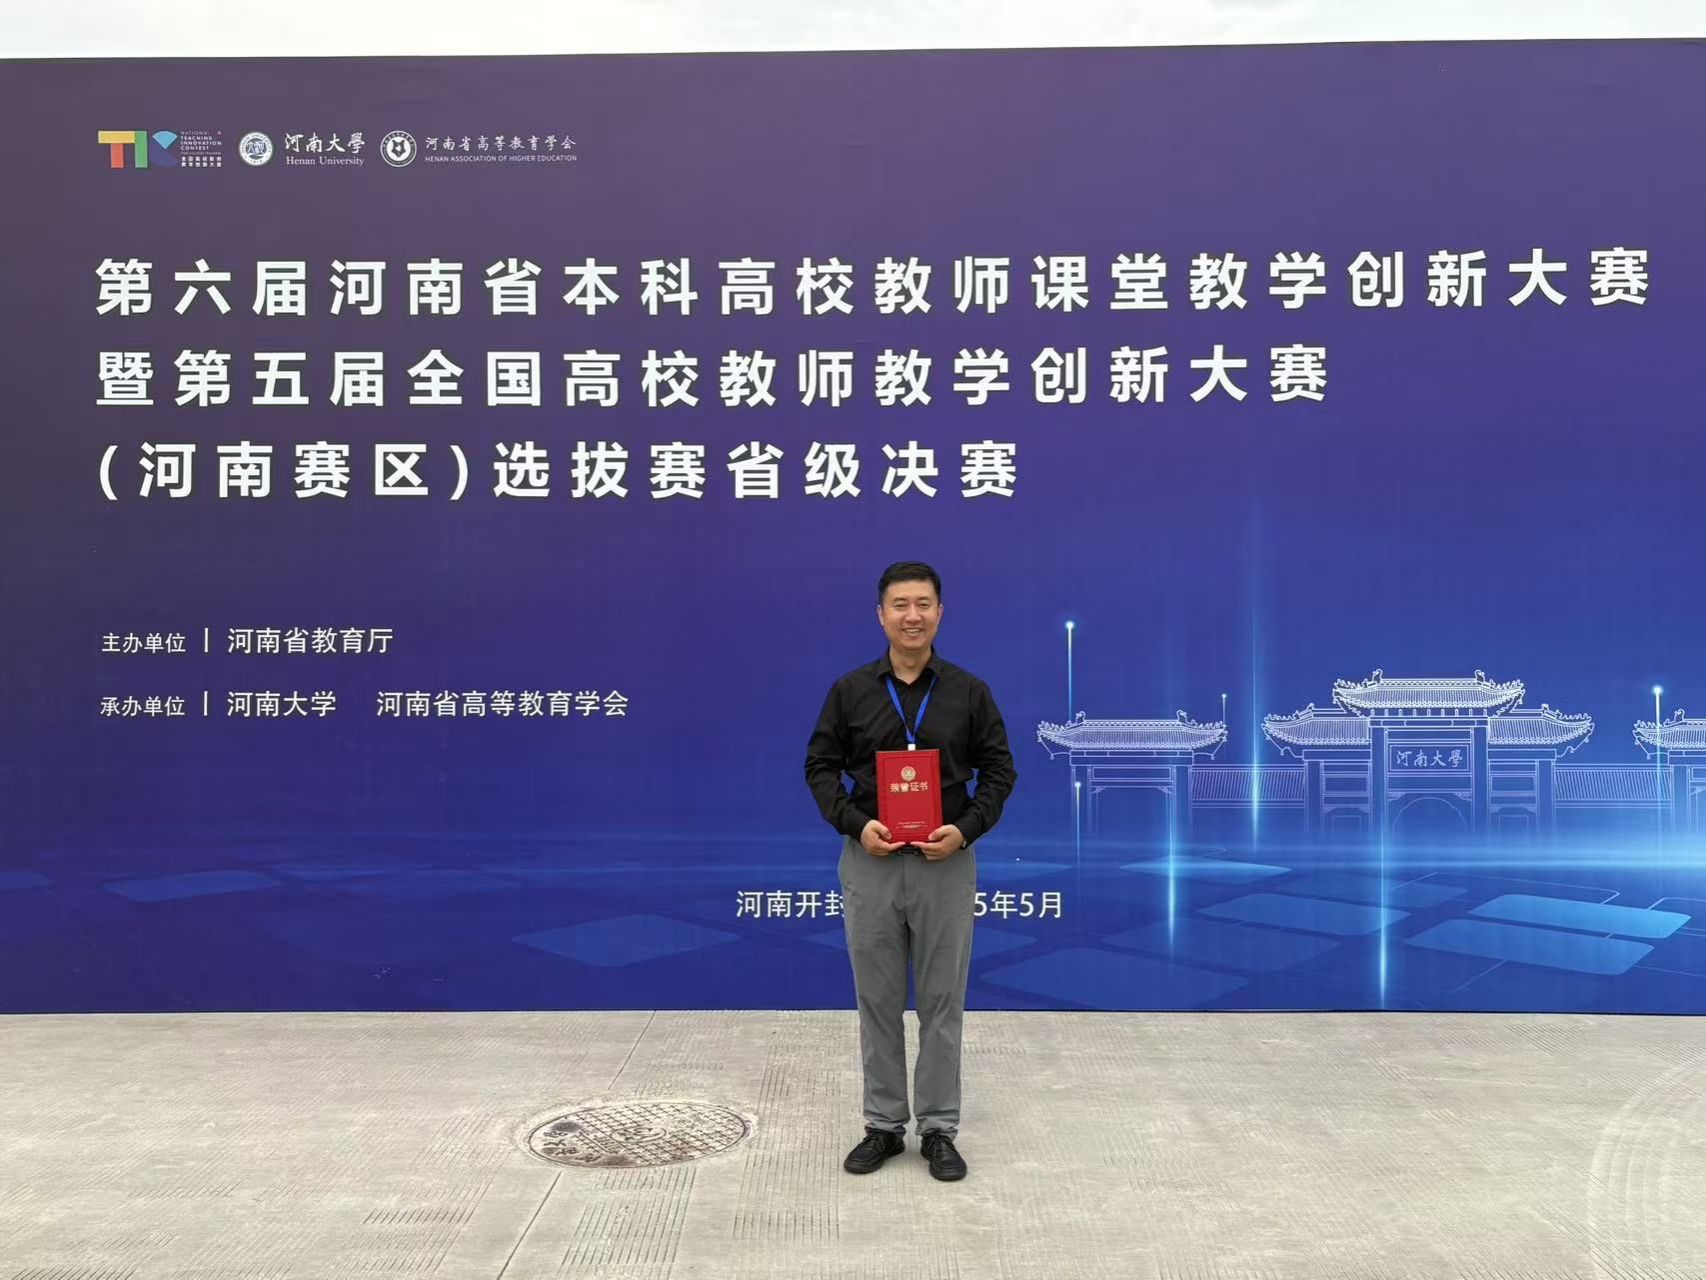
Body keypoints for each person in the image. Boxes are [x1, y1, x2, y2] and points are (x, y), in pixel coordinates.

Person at [803, 560, 1017, 1182]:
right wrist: (854, 823)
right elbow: (820, 767)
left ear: (940, 613)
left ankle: (939, 1128)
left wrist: (965, 830)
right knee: (877, 1000)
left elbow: (999, 771)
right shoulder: (851, 690)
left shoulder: (969, 691)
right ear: (881, 615)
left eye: (923, 604)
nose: (912, 616)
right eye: (900, 605)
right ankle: (883, 1125)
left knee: (943, 1001)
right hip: (871, 861)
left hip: (943, 863)